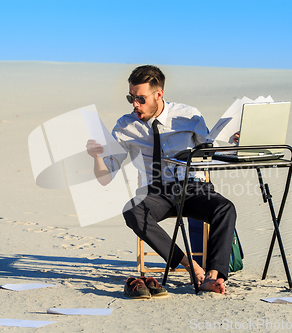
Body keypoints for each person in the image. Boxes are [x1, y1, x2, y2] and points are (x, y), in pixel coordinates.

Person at [86, 65, 237, 294]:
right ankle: (192, 266)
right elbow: (105, 177)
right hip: (156, 193)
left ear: (159, 94)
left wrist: (232, 141)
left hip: (193, 187)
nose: (135, 104)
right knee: (132, 211)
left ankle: (213, 276)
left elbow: (208, 150)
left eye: (140, 98)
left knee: (225, 208)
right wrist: (97, 157)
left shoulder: (189, 116)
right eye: (131, 98)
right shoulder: (125, 126)